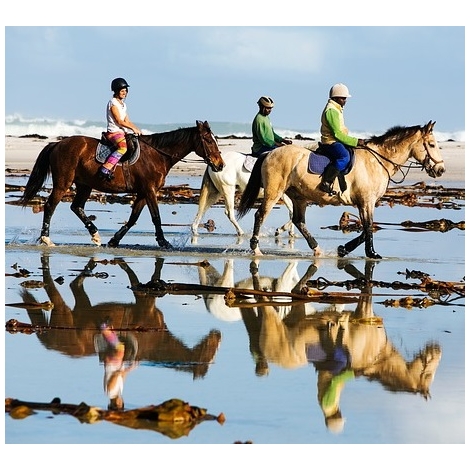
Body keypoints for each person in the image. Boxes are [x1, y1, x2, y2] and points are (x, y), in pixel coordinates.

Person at [318, 83, 365, 195]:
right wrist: (355, 141)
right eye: (343, 98)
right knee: (344, 156)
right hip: (331, 142)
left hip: (336, 140)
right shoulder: (331, 111)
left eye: (345, 98)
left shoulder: (337, 109)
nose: (345, 100)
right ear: (335, 97)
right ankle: (327, 182)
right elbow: (337, 134)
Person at [99, 77, 142, 181]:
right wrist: (132, 128)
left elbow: (127, 121)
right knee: (123, 148)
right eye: (122, 91)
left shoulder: (123, 105)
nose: (125, 93)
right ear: (116, 91)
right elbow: (119, 121)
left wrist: (137, 129)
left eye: (126, 91)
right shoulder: (113, 103)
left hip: (122, 132)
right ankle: (105, 168)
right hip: (114, 132)